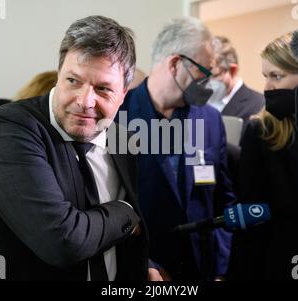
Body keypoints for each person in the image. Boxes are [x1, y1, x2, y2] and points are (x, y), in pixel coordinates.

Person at [0, 15, 156, 281]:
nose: (84, 101)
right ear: (58, 74)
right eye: (73, 81)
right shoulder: (8, 128)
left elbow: (116, 239)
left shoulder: (124, 141)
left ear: (124, 94)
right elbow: (62, 242)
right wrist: (124, 212)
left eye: (102, 89)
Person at [117, 17, 235, 280]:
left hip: (201, 268)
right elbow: (106, 204)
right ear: (175, 64)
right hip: (144, 271)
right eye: (204, 73)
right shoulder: (118, 117)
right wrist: (144, 263)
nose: (208, 83)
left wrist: (219, 267)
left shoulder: (210, 120)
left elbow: (223, 200)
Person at [226, 25, 298, 281]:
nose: (266, 87)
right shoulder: (262, 131)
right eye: (265, 76)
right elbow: (252, 218)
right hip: (283, 266)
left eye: (276, 76)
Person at [209, 36, 264, 134]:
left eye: (213, 76)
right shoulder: (198, 104)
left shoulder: (259, 106)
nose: (206, 83)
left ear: (232, 70)